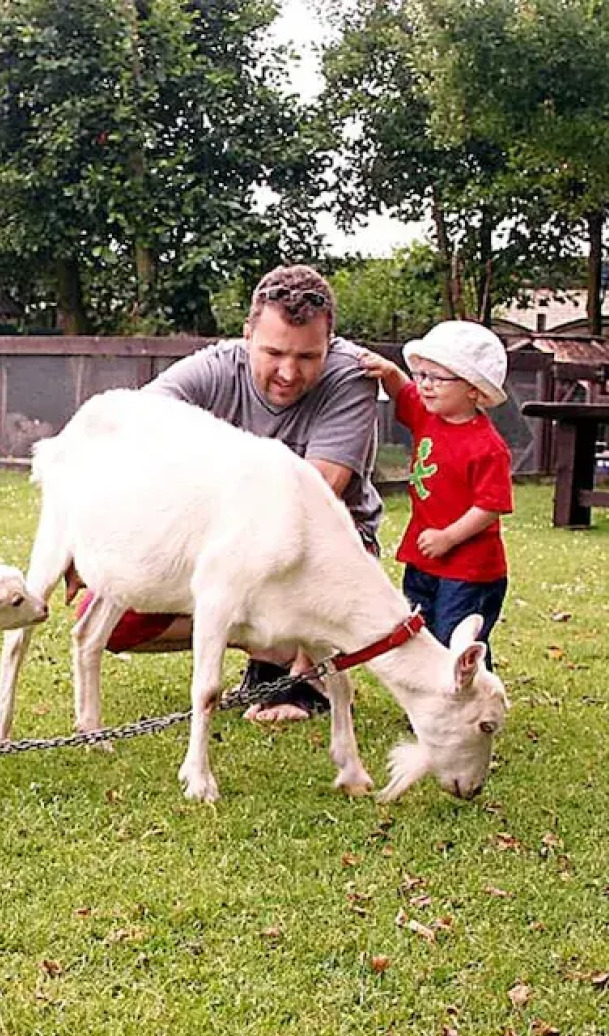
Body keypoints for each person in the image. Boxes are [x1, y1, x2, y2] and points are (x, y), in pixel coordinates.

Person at [76, 265, 384, 722]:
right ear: (247, 335)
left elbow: (310, 499)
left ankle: (307, 671)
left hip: (317, 546)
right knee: (114, 614)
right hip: (222, 540)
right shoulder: (215, 366)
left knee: (289, 549)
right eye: (274, 352)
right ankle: (271, 647)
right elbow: (131, 425)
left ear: (330, 342)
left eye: (307, 357)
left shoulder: (352, 377)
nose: (288, 372)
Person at [358, 320, 512, 659]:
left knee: (456, 637)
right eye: (422, 375)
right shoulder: (428, 415)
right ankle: (434, 697)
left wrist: (449, 537)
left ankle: (471, 698)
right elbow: (402, 389)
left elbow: (491, 505)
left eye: (437, 378)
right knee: (419, 631)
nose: (425, 385)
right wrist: (388, 370)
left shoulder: (487, 446)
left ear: (474, 389)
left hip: (468, 568)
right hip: (424, 557)